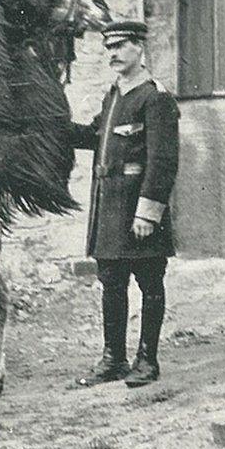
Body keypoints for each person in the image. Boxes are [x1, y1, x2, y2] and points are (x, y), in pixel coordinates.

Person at [70, 21, 180, 388]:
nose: (113, 54)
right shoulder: (114, 95)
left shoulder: (155, 97)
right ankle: (113, 359)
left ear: (140, 48)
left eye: (121, 46)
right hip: (109, 208)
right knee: (111, 283)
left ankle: (147, 360)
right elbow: (95, 136)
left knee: (149, 281)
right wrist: (56, 128)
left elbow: (163, 161)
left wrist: (148, 212)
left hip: (138, 209)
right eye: (109, 48)